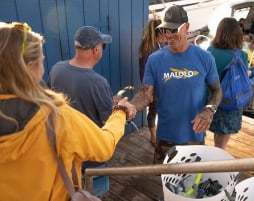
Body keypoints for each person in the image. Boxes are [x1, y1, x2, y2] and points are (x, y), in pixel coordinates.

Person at [0, 22, 136, 201]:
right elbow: (104, 143)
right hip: (87, 162)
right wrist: (120, 112)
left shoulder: (57, 68)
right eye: (41, 62)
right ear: (30, 67)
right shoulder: (58, 117)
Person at [130, 5, 222, 164]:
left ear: (186, 27)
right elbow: (145, 94)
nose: (168, 35)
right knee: (164, 183)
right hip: (165, 137)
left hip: (195, 137)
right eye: (165, 30)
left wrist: (209, 110)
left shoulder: (205, 58)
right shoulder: (155, 59)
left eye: (173, 30)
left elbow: (217, 91)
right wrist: (130, 107)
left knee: (192, 184)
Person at [47, 25, 117, 196]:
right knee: (94, 195)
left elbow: (50, 100)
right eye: (102, 46)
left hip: (65, 157)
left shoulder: (57, 68)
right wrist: (119, 108)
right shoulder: (98, 83)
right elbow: (108, 122)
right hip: (91, 159)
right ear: (96, 50)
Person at [207, 17, 248, 149]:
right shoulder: (242, 55)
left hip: (213, 99)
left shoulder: (210, 51)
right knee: (222, 142)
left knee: (214, 136)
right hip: (232, 100)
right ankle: (217, 165)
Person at [139, 18, 166, 146]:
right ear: (158, 33)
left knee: (160, 110)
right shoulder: (148, 48)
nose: (166, 35)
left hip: (165, 86)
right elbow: (144, 72)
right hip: (154, 88)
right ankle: (153, 136)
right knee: (153, 110)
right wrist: (148, 92)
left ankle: (159, 134)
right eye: (164, 32)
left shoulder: (163, 45)